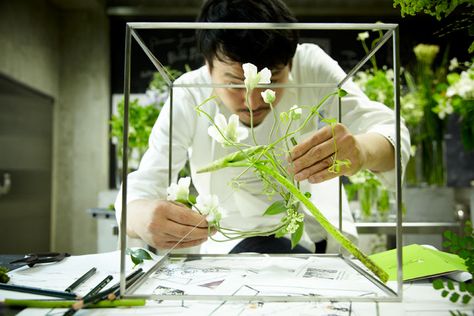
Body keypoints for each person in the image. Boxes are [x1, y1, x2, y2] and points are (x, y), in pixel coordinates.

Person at [115, 0, 410, 254]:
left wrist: (361, 151)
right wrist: (139, 216)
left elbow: (391, 133)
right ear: (207, 65)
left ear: (290, 63)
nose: (253, 100)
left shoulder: (311, 66)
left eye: (271, 80)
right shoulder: (189, 93)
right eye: (234, 82)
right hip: (229, 250)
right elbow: (145, 182)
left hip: (323, 245)